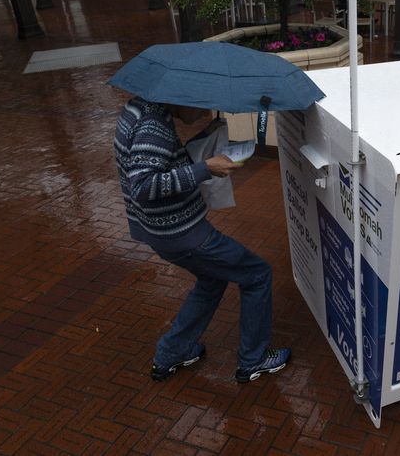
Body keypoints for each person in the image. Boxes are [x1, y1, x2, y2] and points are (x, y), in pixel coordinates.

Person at [114, 96, 290, 383]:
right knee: (257, 274)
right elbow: (144, 185)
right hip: (182, 233)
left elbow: (152, 164)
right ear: (179, 96)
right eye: (198, 103)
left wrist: (202, 142)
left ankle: (172, 353)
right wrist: (205, 168)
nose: (202, 111)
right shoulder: (153, 126)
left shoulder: (138, 109)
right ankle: (253, 359)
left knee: (212, 279)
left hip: (159, 229)